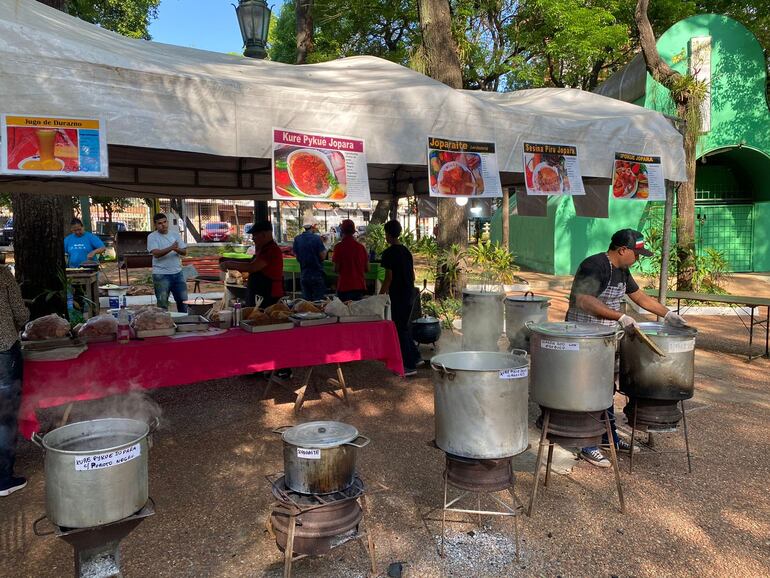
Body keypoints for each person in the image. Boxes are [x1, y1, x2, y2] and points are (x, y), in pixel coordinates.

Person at [566, 228, 687, 468]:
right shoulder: (595, 265)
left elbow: (640, 297)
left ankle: (607, 435)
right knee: (589, 387)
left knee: (606, 385)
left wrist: (668, 314)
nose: (639, 258)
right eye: (637, 253)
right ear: (623, 250)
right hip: (583, 335)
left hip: (606, 336)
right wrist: (620, 316)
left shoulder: (622, 270)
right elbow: (584, 300)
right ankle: (587, 443)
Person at [0, 264, 29, 496]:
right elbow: (20, 313)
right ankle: (3, 478)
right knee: (4, 416)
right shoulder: (2, 274)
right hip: (3, 349)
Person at [380, 220, 421, 377]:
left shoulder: (388, 253)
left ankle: (409, 366)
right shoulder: (406, 251)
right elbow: (413, 274)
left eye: (386, 234)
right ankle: (416, 357)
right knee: (404, 326)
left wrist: (380, 295)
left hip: (398, 294)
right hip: (409, 292)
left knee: (400, 329)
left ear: (389, 235)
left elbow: (388, 278)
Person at [220, 221, 284, 308]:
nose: (253, 238)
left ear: (264, 234)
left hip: (268, 295)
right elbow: (250, 262)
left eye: (254, 235)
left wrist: (228, 264)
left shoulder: (271, 250)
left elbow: (252, 267)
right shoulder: (263, 249)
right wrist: (228, 261)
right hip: (260, 292)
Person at [147, 213, 188, 313]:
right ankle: (164, 325)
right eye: (160, 223)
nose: (163, 225)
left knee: (183, 302)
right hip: (161, 275)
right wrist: (172, 248)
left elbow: (184, 252)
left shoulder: (175, 234)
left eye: (165, 222)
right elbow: (156, 253)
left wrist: (176, 249)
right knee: (162, 304)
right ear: (155, 225)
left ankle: (183, 323)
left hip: (178, 273)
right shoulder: (152, 237)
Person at [332, 219, 368, 301]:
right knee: (356, 312)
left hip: (344, 287)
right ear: (353, 231)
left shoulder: (338, 247)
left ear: (342, 231)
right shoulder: (361, 248)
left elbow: (335, 269)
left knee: (344, 313)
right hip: (359, 286)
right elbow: (367, 269)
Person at [292, 219, 328, 301]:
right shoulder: (317, 239)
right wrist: (325, 247)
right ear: (313, 227)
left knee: (306, 304)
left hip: (304, 274)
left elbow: (296, 255)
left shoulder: (297, 239)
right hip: (316, 274)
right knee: (317, 303)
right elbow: (322, 256)